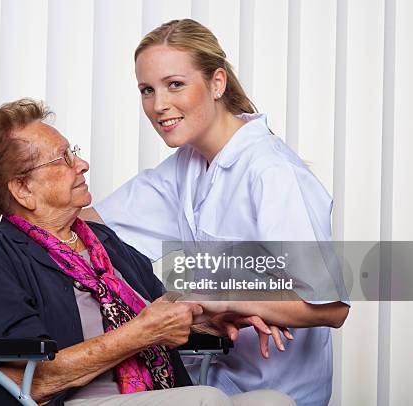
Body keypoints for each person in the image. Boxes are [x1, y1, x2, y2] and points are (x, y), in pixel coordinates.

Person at [0, 99, 295, 406]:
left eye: (73, 151)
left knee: (274, 402)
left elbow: (159, 308)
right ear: (23, 189)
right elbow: (33, 379)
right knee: (206, 400)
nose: (83, 164)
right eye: (64, 159)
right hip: (75, 400)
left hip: (150, 395)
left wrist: (211, 319)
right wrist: (142, 332)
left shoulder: (102, 241)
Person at [80, 19, 349, 406]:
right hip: (204, 381)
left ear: (217, 83)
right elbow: (88, 224)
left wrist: (225, 297)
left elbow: (333, 307)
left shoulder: (272, 173)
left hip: (279, 393)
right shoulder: (185, 168)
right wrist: (7, 229)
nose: (158, 105)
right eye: (147, 90)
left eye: (175, 84)